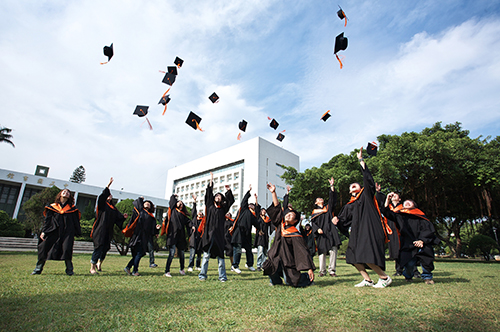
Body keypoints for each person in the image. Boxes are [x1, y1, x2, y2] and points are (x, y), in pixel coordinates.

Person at [333, 147, 393, 288]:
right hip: (357, 233)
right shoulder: (349, 205)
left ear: (361, 188)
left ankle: (384, 278)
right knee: (352, 256)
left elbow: (368, 180)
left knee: (366, 254)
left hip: (370, 229)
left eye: (355, 185)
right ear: (349, 191)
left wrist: (361, 160)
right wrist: (337, 221)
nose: (353, 187)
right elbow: (343, 220)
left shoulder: (366, 196)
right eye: (351, 187)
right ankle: (367, 280)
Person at [263, 183, 315, 287]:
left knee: (291, 282)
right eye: (287, 214)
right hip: (276, 256)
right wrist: (273, 193)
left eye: (291, 215)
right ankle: (276, 281)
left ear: (295, 221)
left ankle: (306, 278)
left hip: (288, 261)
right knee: (269, 266)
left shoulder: (295, 233)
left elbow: (302, 251)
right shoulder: (280, 224)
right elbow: (277, 208)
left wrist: (309, 268)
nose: (288, 215)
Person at [383, 194, 440, 284]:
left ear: (414, 205)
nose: (407, 202)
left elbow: (428, 230)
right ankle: (408, 275)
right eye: (405, 202)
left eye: (410, 202)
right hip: (408, 243)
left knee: (426, 260)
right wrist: (387, 200)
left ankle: (427, 277)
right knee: (409, 264)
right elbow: (387, 213)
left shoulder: (421, 216)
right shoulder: (400, 216)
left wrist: (422, 240)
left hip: (422, 242)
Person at [31, 189, 82, 275]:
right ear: (60, 194)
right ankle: (38, 269)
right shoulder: (52, 207)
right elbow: (48, 220)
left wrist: (76, 232)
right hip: (53, 231)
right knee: (44, 248)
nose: (66, 193)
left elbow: (75, 221)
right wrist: (44, 231)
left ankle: (69, 270)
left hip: (67, 232)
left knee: (67, 249)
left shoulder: (72, 208)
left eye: (68, 192)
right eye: (64, 191)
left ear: (70, 196)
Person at [198, 172, 235, 282]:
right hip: (208, 235)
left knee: (221, 258)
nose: (218, 197)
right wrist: (211, 180)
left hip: (219, 236)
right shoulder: (209, 206)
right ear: (214, 198)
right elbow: (208, 194)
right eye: (216, 196)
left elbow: (230, 201)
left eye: (220, 196)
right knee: (206, 257)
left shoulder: (223, 209)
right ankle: (202, 275)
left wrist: (228, 191)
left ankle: (222, 277)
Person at [90, 177, 128, 274]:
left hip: (108, 230)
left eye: (111, 195)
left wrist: (123, 217)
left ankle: (99, 263)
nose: (110, 196)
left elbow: (118, 219)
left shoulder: (113, 208)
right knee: (98, 246)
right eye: (108, 195)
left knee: (106, 248)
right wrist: (108, 185)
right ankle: (92, 267)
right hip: (100, 229)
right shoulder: (103, 205)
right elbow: (102, 197)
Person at [310, 177, 340, 277]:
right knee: (322, 252)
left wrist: (332, 186)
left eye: (321, 198)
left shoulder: (328, 208)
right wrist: (317, 229)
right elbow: (313, 224)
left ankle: (332, 270)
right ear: (315, 203)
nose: (320, 199)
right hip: (321, 232)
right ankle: (322, 271)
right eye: (318, 199)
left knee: (333, 250)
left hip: (330, 231)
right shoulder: (314, 213)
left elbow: (332, 199)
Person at [123, 197, 160, 276]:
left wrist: (156, 229)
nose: (147, 204)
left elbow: (152, 230)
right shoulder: (140, 212)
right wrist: (140, 199)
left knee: (140, 254)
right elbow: (136, 203)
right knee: (139, 253)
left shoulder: (151, 217)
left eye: (149, 203)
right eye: (145, 202)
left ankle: (129, 267)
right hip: (137, 236)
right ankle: (134, 270)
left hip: (145, 238)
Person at [229, 185, 260, 273]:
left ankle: (249, 264)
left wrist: (260, 230)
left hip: (247, 234)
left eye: (253, 205)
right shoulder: (244, 209)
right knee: (237, 249)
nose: (251, 205)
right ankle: (235, 266)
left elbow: (257, 224)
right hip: (239, 232)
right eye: (250, 204)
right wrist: (248, 191)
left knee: (249, 249)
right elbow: (244, 200)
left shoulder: (253, 216)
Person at [161, 193, 193, 277]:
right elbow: (171, 202)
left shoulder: (183, 215)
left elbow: (189, 222)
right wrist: (173, 196)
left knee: (182, 254)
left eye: (182, 203)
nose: (180, 204)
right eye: (179, 202)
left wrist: (192, 226)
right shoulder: (173, 210)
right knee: (171, 253)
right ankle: (167, 271)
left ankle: (182, 269)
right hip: (172, 235)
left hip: (181, 236)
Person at [187, 201, 203, 272]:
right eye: (199, 213)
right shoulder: (194, 220)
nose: (200, 213)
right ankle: (190, 266)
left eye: (202, 213)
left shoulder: (203, 222)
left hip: (200, 239)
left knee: (199, 254)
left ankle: (197, 266)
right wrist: (194, 202)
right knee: (192, 254)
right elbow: (194, 211)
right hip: (194, 238)